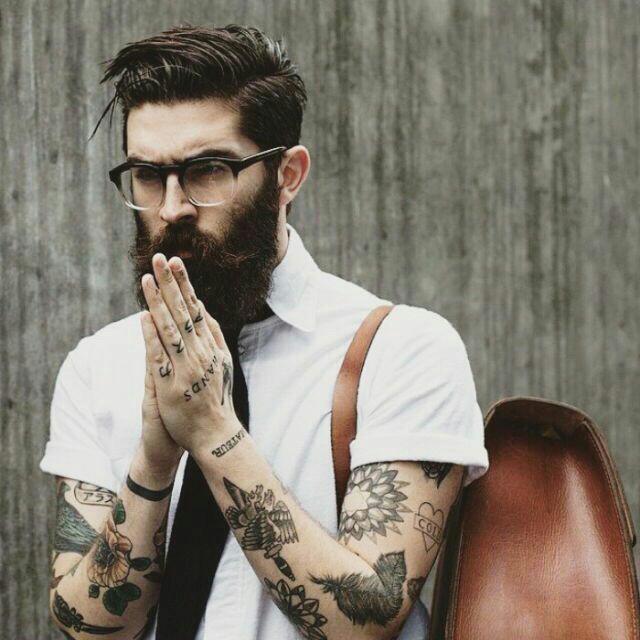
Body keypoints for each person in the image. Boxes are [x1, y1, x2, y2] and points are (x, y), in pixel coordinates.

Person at [40, 23, 489, 640]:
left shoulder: (404, 351)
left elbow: (365, 619)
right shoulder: (98, 365)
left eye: (207, 170)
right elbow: (87, 627)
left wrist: (212, 432)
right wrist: (154, 458)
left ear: (287, 174)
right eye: (146, 174)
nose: (171, 207)